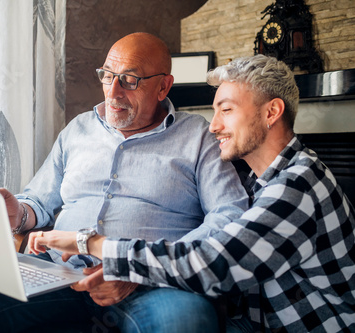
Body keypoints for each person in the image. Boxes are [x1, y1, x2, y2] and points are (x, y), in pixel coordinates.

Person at [0, 32, 250, 333]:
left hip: (150, 283)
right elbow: (39, 201)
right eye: (108, 75)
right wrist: (19, 212)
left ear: (163, 87)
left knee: (186, 321)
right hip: (60, 274)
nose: (113, 91)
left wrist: (141, 268)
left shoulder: (199, 136)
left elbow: (229, 216)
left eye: (130, 79)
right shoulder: (78, 129)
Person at [30, 55, 355, 332]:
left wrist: (93, 243)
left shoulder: (298, 186)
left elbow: (212, 263)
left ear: (271, 113)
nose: (212, 126)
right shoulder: (263, 182)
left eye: (226, 110)